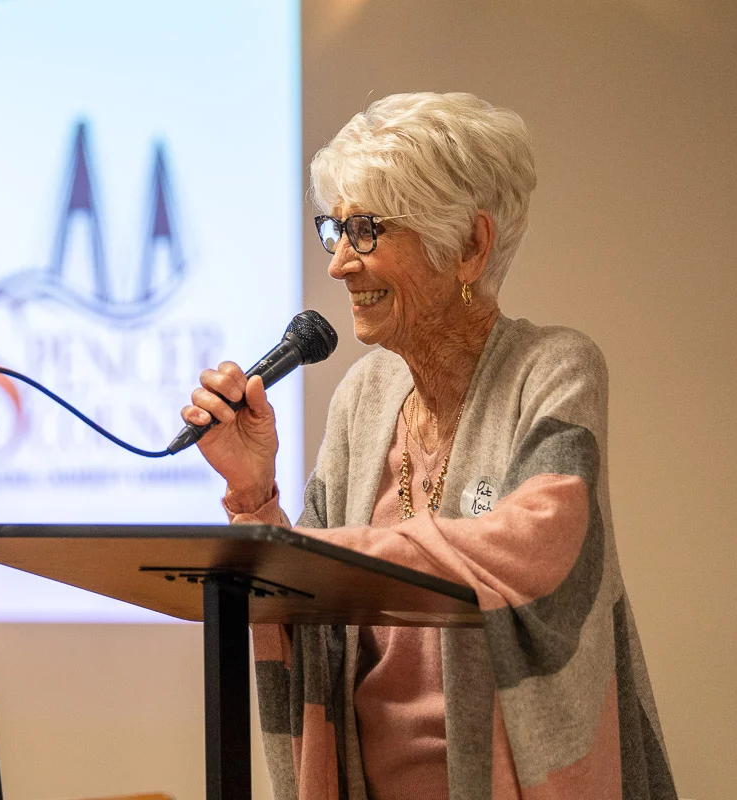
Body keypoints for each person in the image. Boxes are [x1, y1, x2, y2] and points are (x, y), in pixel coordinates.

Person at [182, 93, 676, 799]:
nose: (339, 265)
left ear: (470, 246)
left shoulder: (556, 369)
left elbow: (536, 545)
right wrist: (254, 493)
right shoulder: (363, 399)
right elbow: (304, 598)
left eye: (367, 230)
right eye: (336, 229)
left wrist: (321, 559)